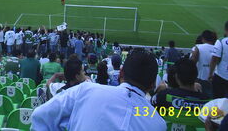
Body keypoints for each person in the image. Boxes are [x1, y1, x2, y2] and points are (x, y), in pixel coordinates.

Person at [31, 49, 166, 131]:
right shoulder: (158, 123)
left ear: (121, 74)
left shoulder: (86, 90)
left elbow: (40, 116)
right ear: (152, 85)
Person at [190, 30, 216, 97]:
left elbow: (192, 63)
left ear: (203, 38)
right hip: (214, 78)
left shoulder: (198, 47)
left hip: (200, 78)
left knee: (198, 97)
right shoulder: (217, 48)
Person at [208, 21, 228, 98]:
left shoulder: (221, 41)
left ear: (225, 29)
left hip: (220, 76)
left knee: (218, 101)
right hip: (221, 76)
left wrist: (210, 74)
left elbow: (214, 59)